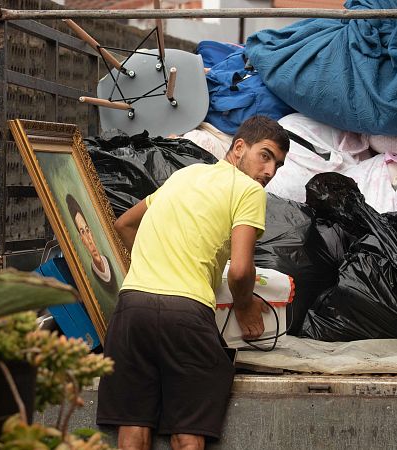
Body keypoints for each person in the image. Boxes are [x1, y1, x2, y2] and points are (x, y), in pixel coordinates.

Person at [96, 115, 289, 450]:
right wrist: (245, 306)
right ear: (239, 147)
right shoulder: (248, 192)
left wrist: (146, 268)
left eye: (278, 165)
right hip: (186, 315)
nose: (270, 171)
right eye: (266, 155)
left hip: (130, 310)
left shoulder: (185, 175)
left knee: (132, 427)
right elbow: (241, 271)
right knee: (187, 433)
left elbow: (124, 224)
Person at [66, 193, 119, 294]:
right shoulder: (91, 277)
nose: (89, 239)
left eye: (87, 230)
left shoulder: (111, 260)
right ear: (81, 239)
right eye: (82, 232)